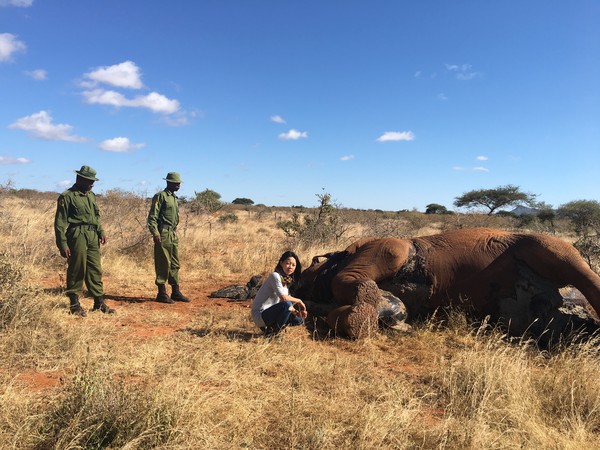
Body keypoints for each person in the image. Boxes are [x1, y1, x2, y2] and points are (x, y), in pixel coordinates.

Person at [54, 165, 115, 316]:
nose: (92, 184)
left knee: (95, 268)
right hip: (77, 234)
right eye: (89, 180)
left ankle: (99, 303)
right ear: (79, 179)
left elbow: (96, 216)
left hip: (92, 235)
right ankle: (74, 304)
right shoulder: (67, 196)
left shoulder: (91, 195)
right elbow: (60, 223)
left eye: (93, 181)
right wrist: (62, 244)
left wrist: (101, 231)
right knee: (77, 268)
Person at [147, 172, 189, 303]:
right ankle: (161, 293)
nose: (178, 185)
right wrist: (155, 233)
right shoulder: (160, 196)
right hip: (163, 233)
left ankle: (175, 292)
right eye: (176, 183)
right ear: (168, 182)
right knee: (163, 263)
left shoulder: (174, 198)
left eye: (179, 183)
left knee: (175, 264)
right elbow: (152, 217)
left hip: (172, 233)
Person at [251, 251, 308, 336]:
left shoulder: (285, 281)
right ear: (281, 263)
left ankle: (270, 329)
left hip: (271, 313)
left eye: (293, 265)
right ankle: (274, 333)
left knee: (299, 320)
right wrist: (299, 301)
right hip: (261, 314)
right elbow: (284, 298)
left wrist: (297, 313)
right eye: (287, 263)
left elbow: (288, 305)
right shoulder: (275, 276)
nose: (290, 267)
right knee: (287, 304)